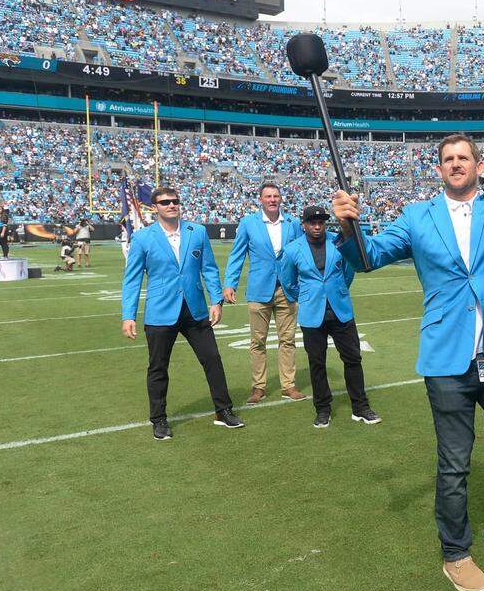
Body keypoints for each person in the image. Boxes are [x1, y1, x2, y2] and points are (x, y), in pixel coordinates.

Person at [331, 71, 484, 591]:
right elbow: (368, 258)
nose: (456, 164)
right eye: (447, 160)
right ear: (439, 170)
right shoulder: (418, 217)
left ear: (478, 165)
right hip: (447, 359)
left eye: (463, 157)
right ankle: (456, 552)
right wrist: (349, 227)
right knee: (454, 465)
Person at [120, 187, 243, 440]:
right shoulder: (143, 238)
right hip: (160, 312)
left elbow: (208, 268)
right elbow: (131, 280)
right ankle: (159, 419)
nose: (172, 205)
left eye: (175, 201)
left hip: (195, 309)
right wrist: (128, 315)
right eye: (165, 202)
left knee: (212, 359)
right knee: (158, 367)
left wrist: (216, 300)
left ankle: (223, 410)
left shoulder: (196, 231)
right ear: (155, 207)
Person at [277, 206, 379, 428]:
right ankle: (323, 409)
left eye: (321, 222)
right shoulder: (293, 249)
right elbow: (287, 281)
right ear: (303, 225)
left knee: (353, 359)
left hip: (341, 310)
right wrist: (306, 297)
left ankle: (360, 407)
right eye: (312, 223)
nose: (317, 226)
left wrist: (338, 290)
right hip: (312, 313)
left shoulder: (338, 242)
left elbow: (349, 270)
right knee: (317, 364)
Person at [223, 183, 305, 405]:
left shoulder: (293, 223)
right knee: (257, 341)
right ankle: (258, 386)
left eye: (276, 196)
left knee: (287, 340)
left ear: (281, 199)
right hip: (259, 290)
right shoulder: (249, 223)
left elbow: (301, 253)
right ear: (260, 199)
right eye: (268, 196)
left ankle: (288, 385)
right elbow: (237, 255)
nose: (272, 199)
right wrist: (230, 283)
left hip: (287, 290)